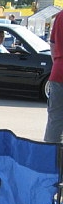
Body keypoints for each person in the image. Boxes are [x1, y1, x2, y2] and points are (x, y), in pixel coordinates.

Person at [44, 10, 63, 142]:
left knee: (55, 118)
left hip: (58, 72)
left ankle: (50, 156)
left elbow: (52, 45)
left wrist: (57, 62)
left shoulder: (60, 16)